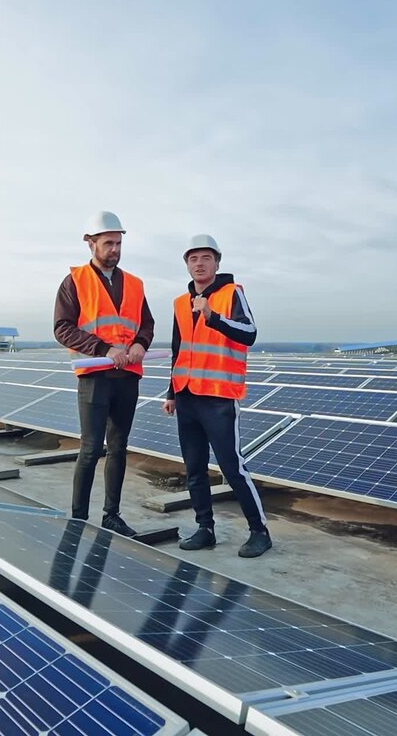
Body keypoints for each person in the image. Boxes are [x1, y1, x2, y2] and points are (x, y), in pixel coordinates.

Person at [163, 234, 271, 558]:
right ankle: (205, 529)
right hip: (186, 396)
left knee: (231, 466)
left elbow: (250, 333)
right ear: (187, 264)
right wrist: (171, 392)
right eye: (193, 259)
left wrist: (213, 317)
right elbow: (177, 350)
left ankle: (259, 531)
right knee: (194, 467)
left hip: (219, 397)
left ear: (217, 263)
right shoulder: (180, 303)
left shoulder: (231, 294)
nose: (199, 264)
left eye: (205, 258)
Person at [54, 211, 154, 536]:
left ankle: (112, 515)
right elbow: (62, 328)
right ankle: (78, 518)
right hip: (95, 376)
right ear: (91, 243)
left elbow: (146, 324)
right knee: (91, 447)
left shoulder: (135, 284)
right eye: (108, 243)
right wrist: (103, 349)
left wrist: (140, 343)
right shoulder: (75, 281)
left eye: (118, 243)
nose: (114, 249)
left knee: (119, 447)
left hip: (127, 378)